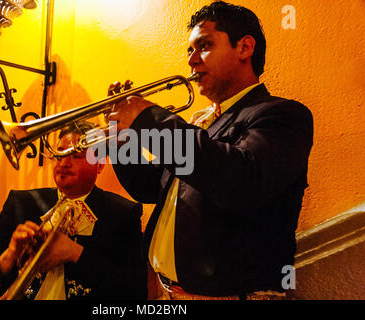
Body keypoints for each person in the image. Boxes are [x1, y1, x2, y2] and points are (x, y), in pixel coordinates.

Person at [108, 1, 313, 299]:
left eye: (203, 45)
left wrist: (148, 119)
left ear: (244, 48)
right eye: (189, 50)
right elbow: (148, 188)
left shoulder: (282, 115)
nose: (191, 60)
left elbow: (244, 181)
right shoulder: (201, 125)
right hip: (167, 292)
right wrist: (121, 136)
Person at [0, 122, 147, 300]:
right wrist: (7, 258)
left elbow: (135, 292)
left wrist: (76, 254)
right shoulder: (20, 203)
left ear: (100, 164)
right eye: (60, 153)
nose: (64, 163)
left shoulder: (122, 213)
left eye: (76, 155)